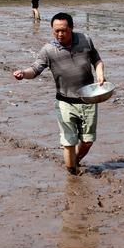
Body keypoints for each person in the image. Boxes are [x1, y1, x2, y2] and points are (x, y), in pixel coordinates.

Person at [13, 12, 106, 174]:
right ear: (52, 30)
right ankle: (72, 173)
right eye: (56, 31)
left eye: (63, 30)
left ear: (71, 28)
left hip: (88, 100)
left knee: (87, 141)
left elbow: (97, 60)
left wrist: (100, 73)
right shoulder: (48, 50)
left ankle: (75, 162)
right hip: (65, 102)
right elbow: (35, 69)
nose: (60, 34)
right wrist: (23, 73)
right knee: (68, 142)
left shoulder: (85, 40)